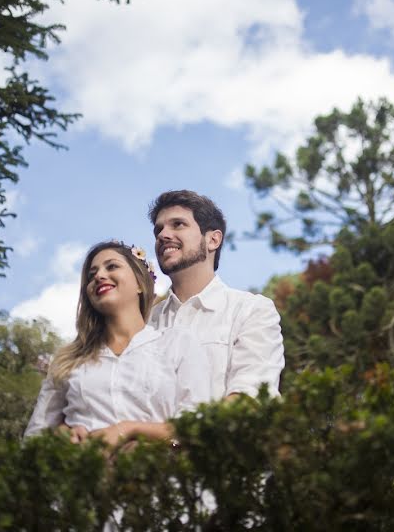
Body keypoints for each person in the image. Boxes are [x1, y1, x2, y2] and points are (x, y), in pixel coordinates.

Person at [24, 240, 210, 448]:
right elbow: (34, 438)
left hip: (161, 475)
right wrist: (59, 438)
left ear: (140, 283)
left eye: (111, 266)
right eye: (91, 275)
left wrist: (128, 430)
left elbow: (197, 425)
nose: (99, 276)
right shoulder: (68, 360)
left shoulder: (178, 343)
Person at [147, 190, 284, 402]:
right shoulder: (144, 324)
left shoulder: (251, 310)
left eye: (178, 224)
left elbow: (250, 398)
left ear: (213, 240)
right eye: (158, 230)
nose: (163, 235)